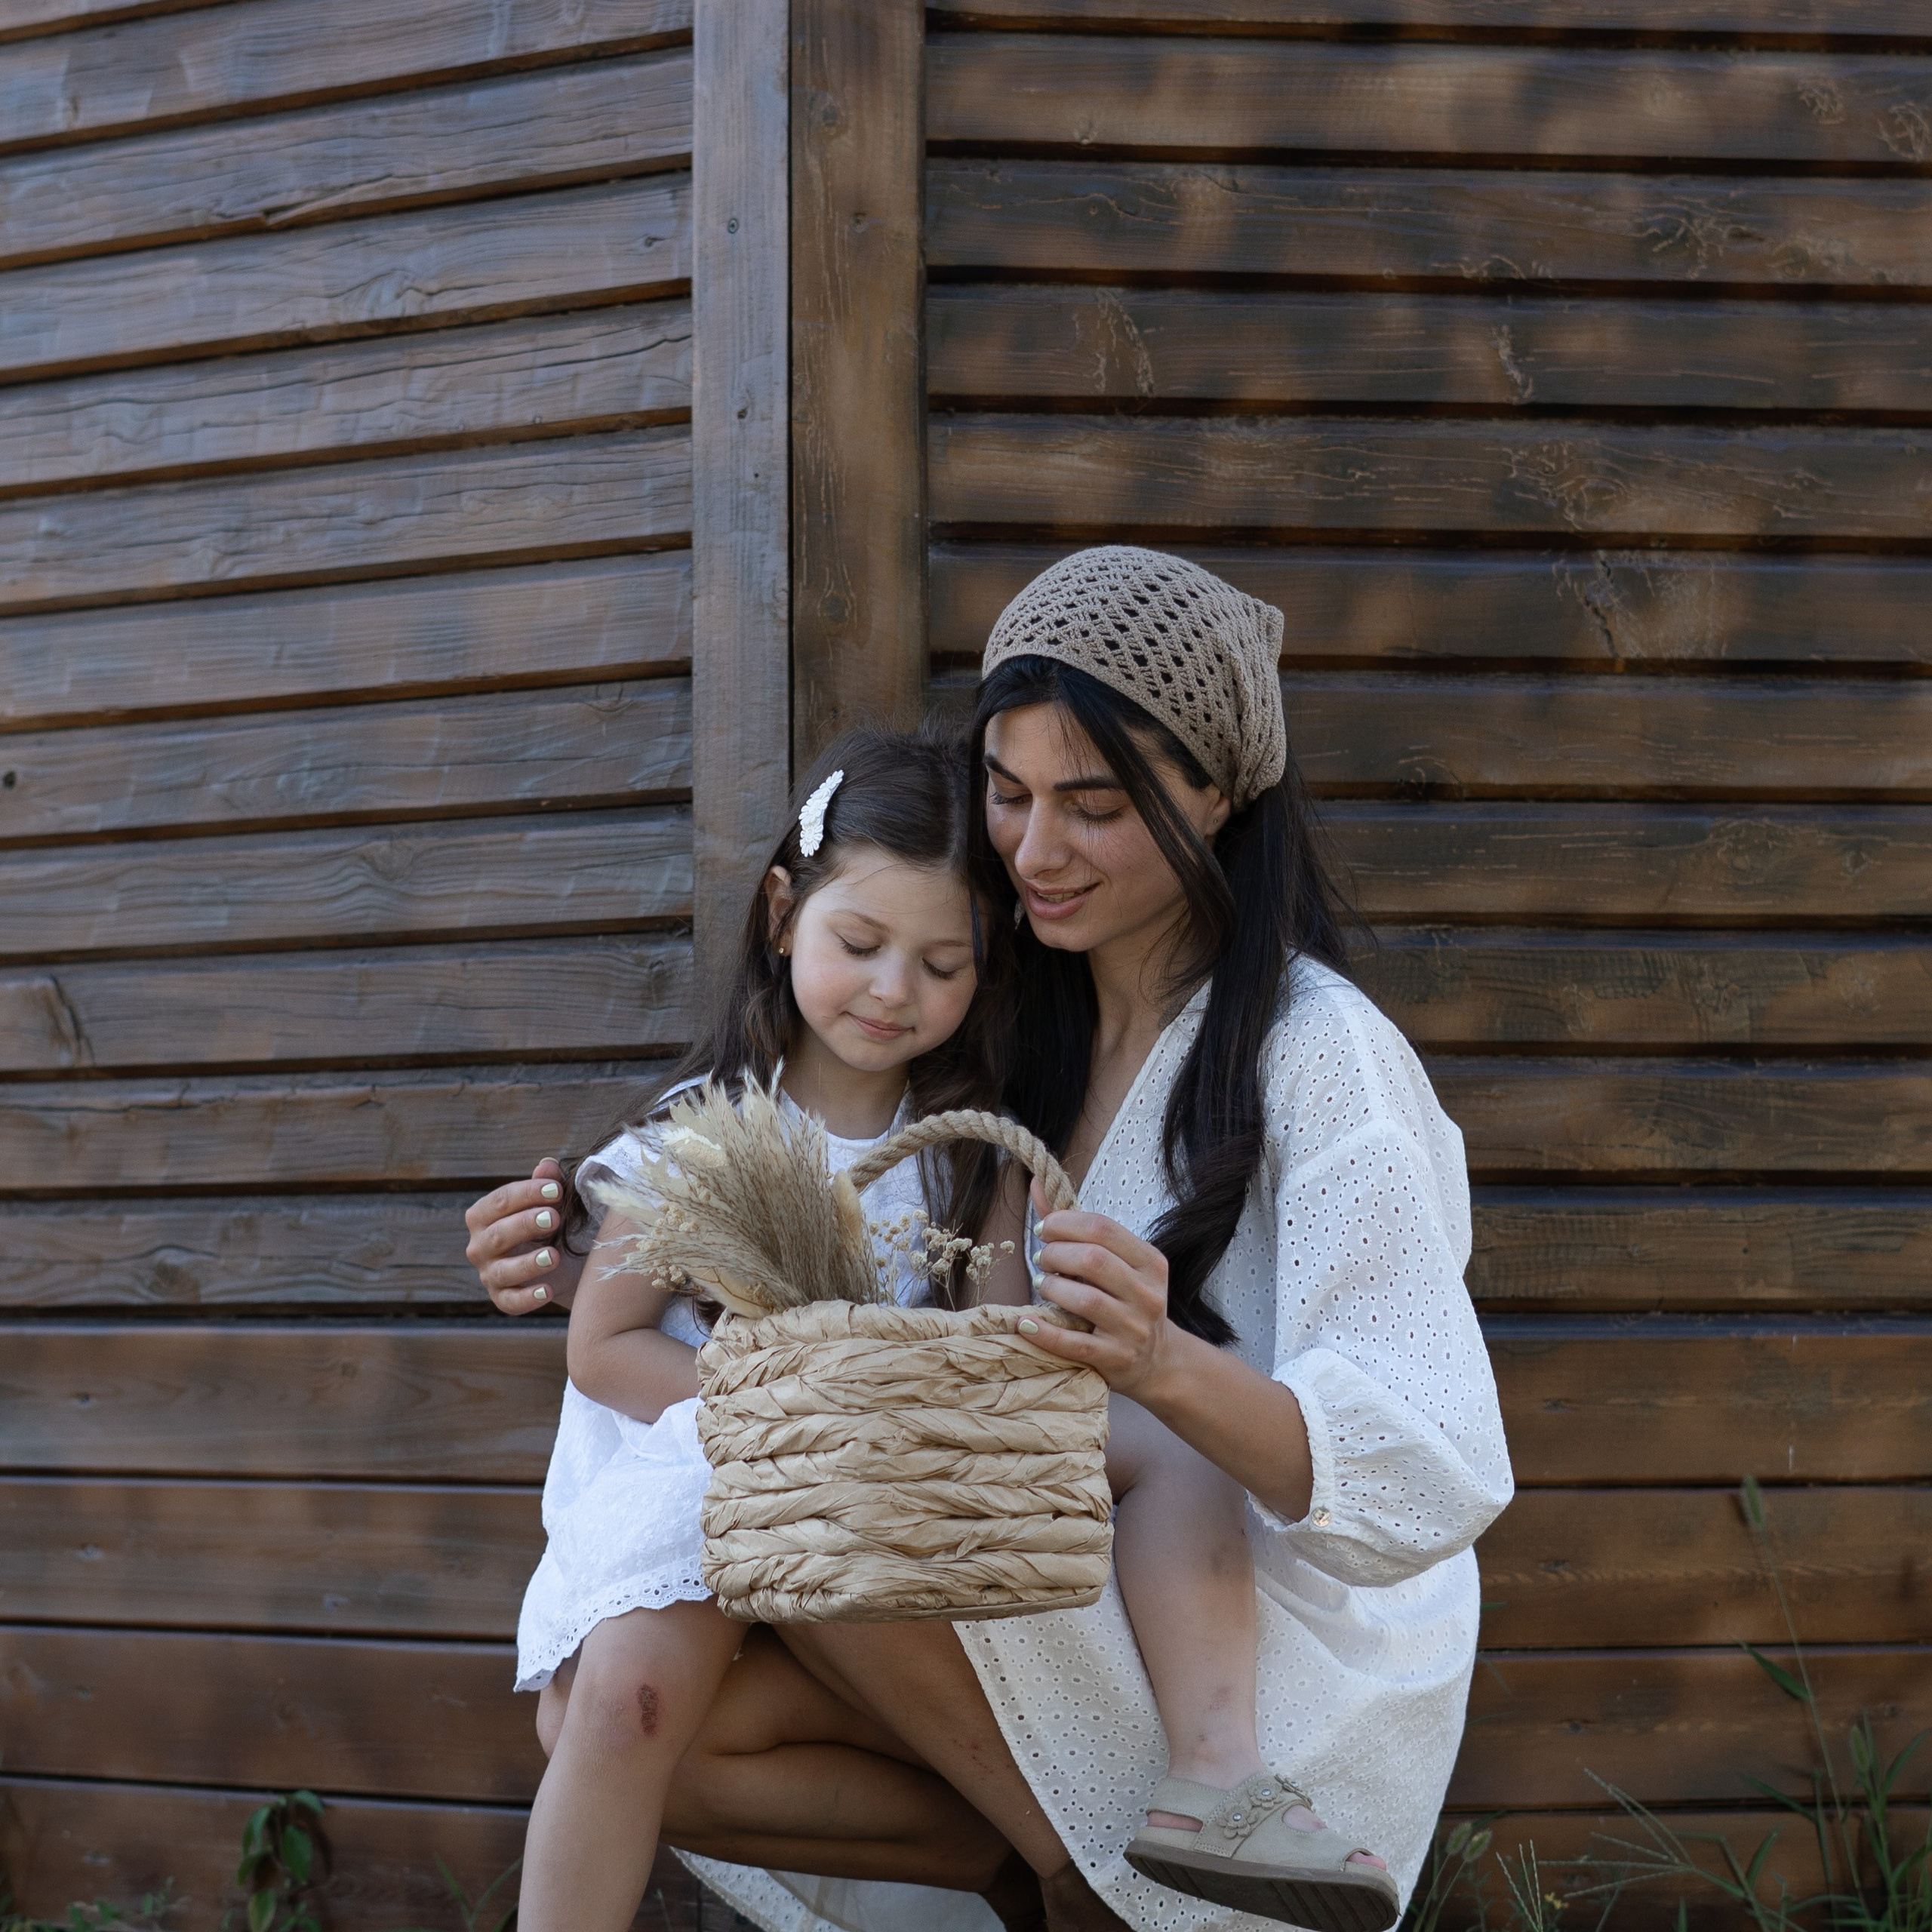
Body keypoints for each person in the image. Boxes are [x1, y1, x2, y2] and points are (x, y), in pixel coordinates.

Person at [465, 547, 1514, 1932]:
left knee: (830, 1500)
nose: (1035, 849)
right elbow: (823, 1178)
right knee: (632, 1714)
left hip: (1250, 1624)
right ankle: (1065, 1870)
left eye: (1095, 805)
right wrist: (580, 1244)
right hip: (1037, 1539)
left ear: (1221, 792)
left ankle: (1112, 1868)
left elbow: (1435, 1467)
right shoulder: (1015, 1026)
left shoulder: (1322, 1056)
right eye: (1010, 798)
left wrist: (1166, 1367)